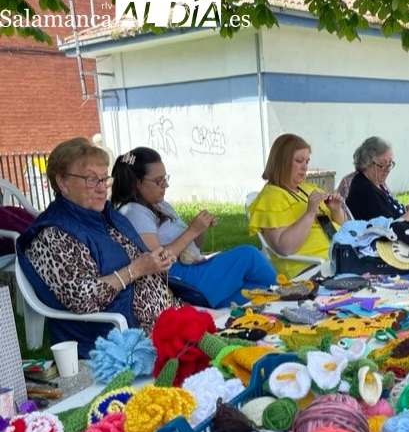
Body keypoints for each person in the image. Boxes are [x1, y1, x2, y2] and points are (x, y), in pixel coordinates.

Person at [16, 138, 180, 358]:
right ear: (62, 182)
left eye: (104, 179)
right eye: (91, 179)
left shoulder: (104, 216)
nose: (102, 188)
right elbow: (83, 298)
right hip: (119, 338)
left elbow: (137, 260)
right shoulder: (53, 235)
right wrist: (137, 269)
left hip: (163, 318)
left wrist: (155, 262)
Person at [110, 147, 278, 309]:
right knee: (249, 255)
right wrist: (192, 230)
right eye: (158, 181)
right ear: (136, 183)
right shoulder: (134, 212)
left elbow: (194, 247)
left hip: (191, 269)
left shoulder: (161, 205)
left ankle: (284, 302)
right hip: (177, 280)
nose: (165, 185)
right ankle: (291, 292)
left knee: (258, 289)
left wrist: (200, 229)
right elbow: (156, 261)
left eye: (165, 178)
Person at [248, 133, 347, 279]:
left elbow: (344, 226)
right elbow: (284, 247)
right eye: (299, 161)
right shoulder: (272, 198)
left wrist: (335, 209)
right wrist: (310, 213)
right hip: (309, 267)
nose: (305, 167)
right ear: (281, 162)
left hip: (340, 256)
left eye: (307, 161)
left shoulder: (307, 188)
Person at [346, 136, 409, 221]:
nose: (388, 169)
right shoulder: (365, 190)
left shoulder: (377, 183)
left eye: (390, 163)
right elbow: (390, 229)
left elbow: (396, 213)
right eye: (383, 164)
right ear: (366, 163)